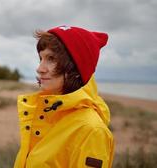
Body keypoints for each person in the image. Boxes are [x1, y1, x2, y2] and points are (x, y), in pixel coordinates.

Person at [13, 26, 114, 168]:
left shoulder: (92, 131)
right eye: (41, 58)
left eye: (51, 59)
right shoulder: (47, 113)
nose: (40, 68)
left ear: (76, 67)